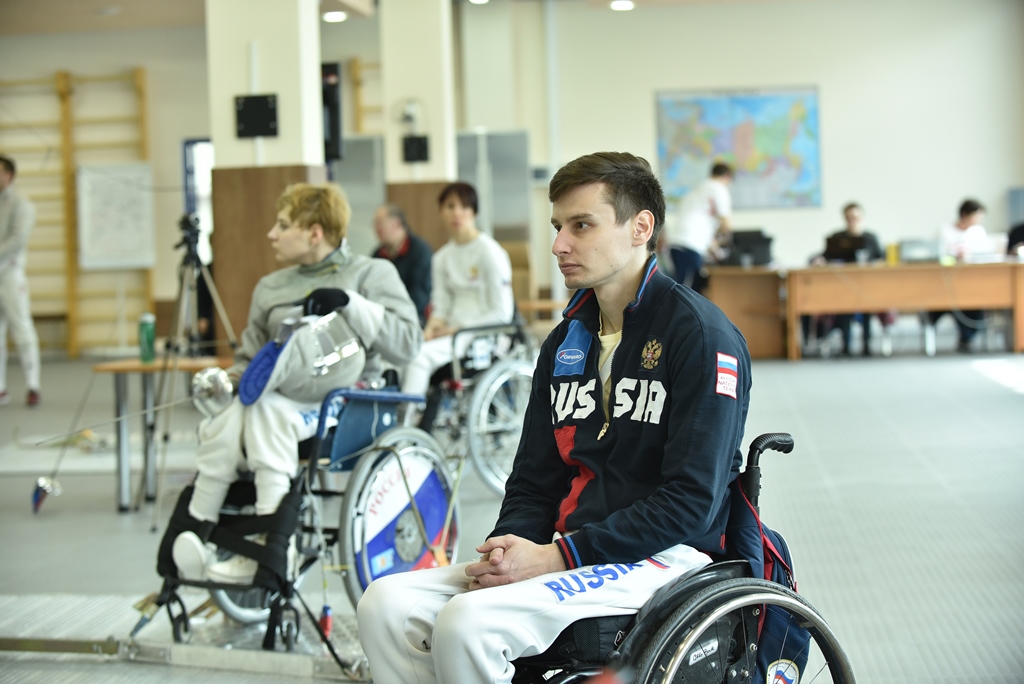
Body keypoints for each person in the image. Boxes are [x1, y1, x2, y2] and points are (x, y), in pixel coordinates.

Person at [358, 152, 752, 684]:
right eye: (557, 226)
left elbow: (690, 502)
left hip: (665, 555)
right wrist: (509, 548)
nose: (558, 244)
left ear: (641, 228)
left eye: (581, 225)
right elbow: (533, 479)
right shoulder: (566, 341)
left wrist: (559, 556)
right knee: (385, 603)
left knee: (466, 624)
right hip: (572, 549)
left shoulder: (701, 336)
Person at [171, 182, 422, 584]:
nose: (272, 234)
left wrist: (351, 304)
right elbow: (250, 360)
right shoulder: (270, 287)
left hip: (349, 400)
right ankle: (196, 532)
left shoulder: (371, 273)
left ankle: (271, 550)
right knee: (229, 417)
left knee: (266, 411)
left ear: (314, 233)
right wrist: (227, 384)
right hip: (279, 397)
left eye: (283, 225)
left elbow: (408, 344)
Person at [400, 182, 514, 401]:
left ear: (474, 212)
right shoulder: (441, 258)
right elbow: (440, 305)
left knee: (419, 359)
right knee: (404, 353)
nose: (457, 213)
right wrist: (431, 328)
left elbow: (501, 313)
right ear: (441, 212)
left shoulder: (490, 252)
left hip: (482, 335)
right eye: (450, 206)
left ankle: (406, 420)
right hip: (451, 334)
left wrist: (456, 329)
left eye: (464, 206)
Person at [809, 202, 892, 356]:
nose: (853, 220)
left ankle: (866, 345)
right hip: (842, 288)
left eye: (855, 217)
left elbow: (882, 259)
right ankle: (846, 346)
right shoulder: (837, 238)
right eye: (849, 217)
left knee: (867, 304)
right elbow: (824, 256)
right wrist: (818, 260)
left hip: (868, 287)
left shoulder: (871, 238)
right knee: (844, 306)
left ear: (862, 217)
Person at [0, 155, 41, 408]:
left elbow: (17, 240)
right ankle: (1, 389)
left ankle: (33, 385)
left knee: (22, 330)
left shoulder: (22, 204)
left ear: (9, 175)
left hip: (11, 275)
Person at [929, 199, 989, 352]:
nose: (978, 220)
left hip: (972, 283)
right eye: (976, 216)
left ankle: (967, 338)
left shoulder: (978, 231)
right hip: (944, 283)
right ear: (965, 215)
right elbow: (936, 254)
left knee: (974, 304)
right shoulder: (944, 230)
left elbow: (985, 254)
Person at [664, 161, 733, 294]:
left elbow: (701, 224)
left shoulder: (697, 190)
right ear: (727, 177)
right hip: (690, 246)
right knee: (691, 292)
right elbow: (727, 225)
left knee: (678, 287)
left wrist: (714, 246)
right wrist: (725, 240)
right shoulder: (719, 188)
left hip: (676, 243)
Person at [371, 203, 433, 327]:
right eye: (375, 224)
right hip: (385, 318)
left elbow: (420, 295)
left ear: (397, 224)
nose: (376, 229)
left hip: (414, 319)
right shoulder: (378, 254)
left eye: (380, 223)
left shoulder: (420, 251)